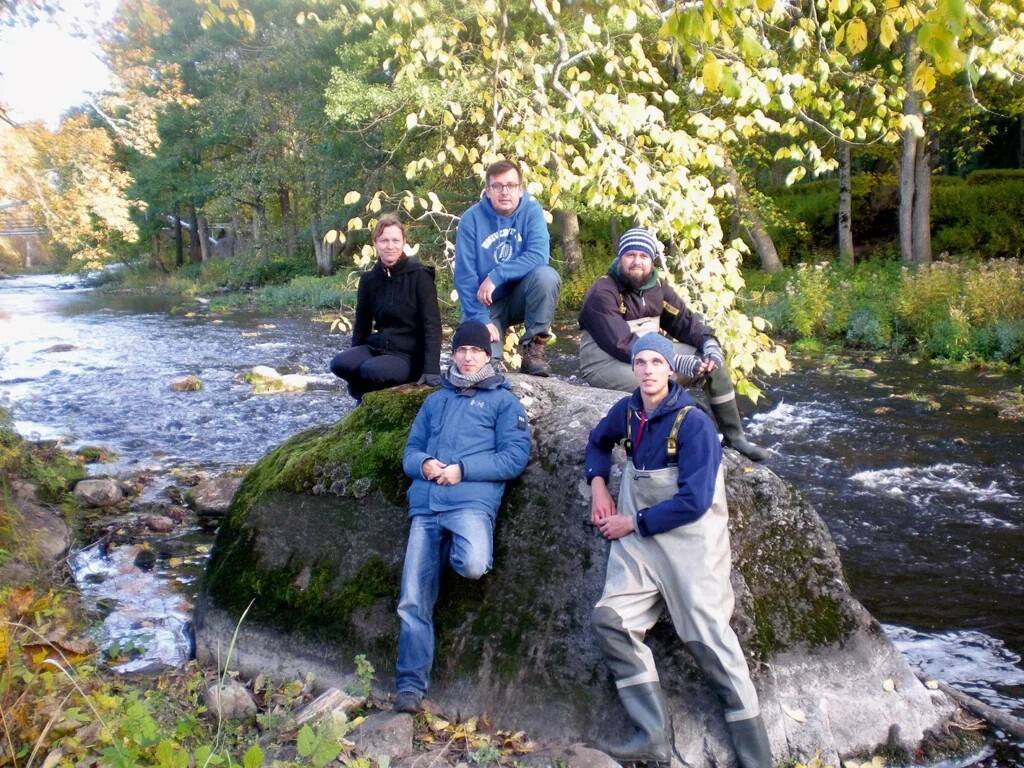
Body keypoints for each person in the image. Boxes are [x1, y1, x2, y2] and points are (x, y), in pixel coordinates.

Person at [584, 332, 772, 767]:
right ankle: (652, 738)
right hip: (640, 547)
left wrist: (633, 521)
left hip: (690, 543)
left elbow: (695, 500)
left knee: (710, 642)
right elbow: (596, 442)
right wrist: (598, 484)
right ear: (633, 369)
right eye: (640, 362)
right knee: (610, 620)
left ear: (671, 370)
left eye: (656, 362)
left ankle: (758, 758)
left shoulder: (695, 423)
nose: (648, 370)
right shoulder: (627, 410)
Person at [393, 321, 531, 713]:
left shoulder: (505, 402)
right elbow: (410, 451)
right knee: (412, 601)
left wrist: (462, 470)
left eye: (475, 351)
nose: (467, 357)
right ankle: (409, 687)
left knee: (472, 564)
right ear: (453, 354)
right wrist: (424, 465)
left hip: (469, 503)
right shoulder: (435, 400)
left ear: (488, 355)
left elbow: (514, 458)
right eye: (461, 350)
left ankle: (453, 549)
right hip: (426, 507)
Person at [578, 227, 769, 462]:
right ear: (620, 258)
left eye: (643, 256)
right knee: (659, 380)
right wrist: (674, 361)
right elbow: (620, 342)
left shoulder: (658, 288)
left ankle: (735, 437)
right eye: (630, 255)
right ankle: (692, 430)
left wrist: (708, 342)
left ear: (652, 260)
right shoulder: (603, 290)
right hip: (606, 361)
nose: (636, 261)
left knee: (711, 364)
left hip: (647, 353)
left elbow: (684, 322)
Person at [454, 159, 561, 376]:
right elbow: (465, 277)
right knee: (484, 370)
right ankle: (492, 358)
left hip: (520, 297)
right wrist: (481, 318)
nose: (505, 192)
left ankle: (533, 351)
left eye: (511, 185)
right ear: (487, 190)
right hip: (484, 303)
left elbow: (539, 255)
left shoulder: (531, 211)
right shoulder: (470, 219)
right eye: (497, 186)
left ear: (520, 189)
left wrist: (496, 275)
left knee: (546, 277)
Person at [329, 215, 442, 401]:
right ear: (376, 243)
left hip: (407, 354)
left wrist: (431, 369)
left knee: (371, 370)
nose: (390, 246)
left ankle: (369, 393)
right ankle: (363, 398)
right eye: (384, 240)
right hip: (378, 346)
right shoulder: (369, 280)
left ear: (404, 242)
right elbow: (362, 324)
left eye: (395, 240)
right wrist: (355, 358)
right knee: (340, 364)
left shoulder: (420, 276)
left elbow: (432, 325)